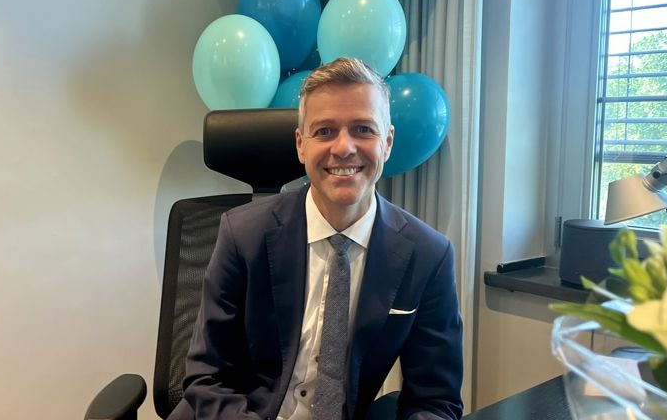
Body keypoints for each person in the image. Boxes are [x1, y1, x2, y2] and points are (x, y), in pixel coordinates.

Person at [169, 58, 463, 420]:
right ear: (300, 145)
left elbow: (436, 401)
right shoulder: (241, 234)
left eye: (363, 129)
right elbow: (207, 379)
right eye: (324, 131)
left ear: (387, 142)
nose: (344, 148)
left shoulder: (428, 255)